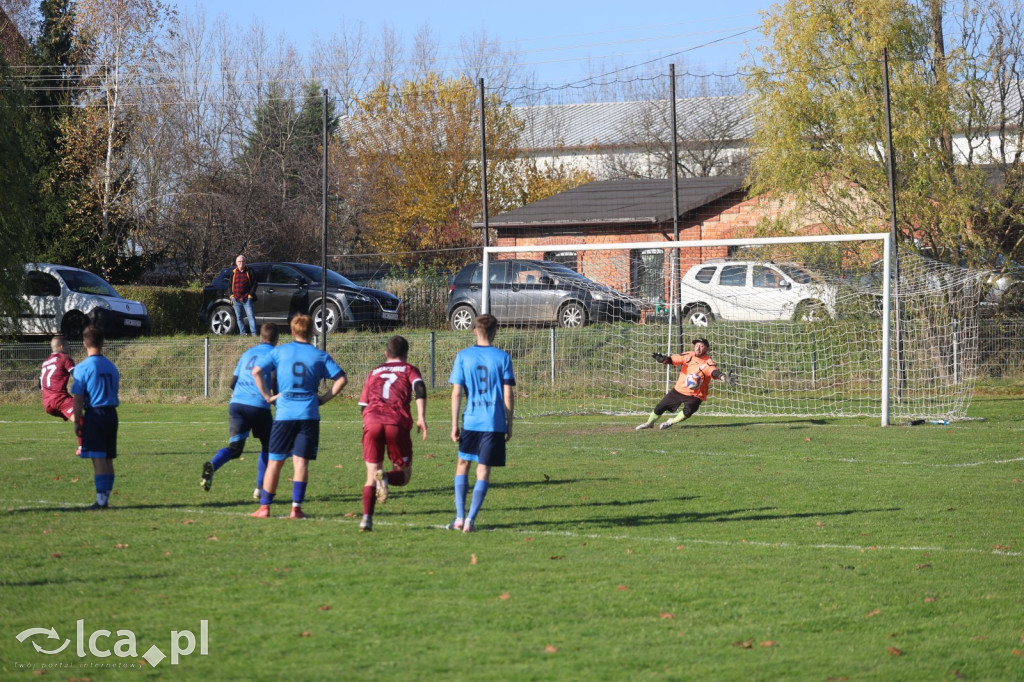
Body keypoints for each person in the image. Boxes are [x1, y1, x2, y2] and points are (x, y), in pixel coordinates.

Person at [250, 314, 347, 519]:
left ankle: (265, 507)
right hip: (309, 414)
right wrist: (324, 398)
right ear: (312, 331)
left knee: (275, 461)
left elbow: (256, 371)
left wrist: (268, 396)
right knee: (300, 463)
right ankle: (296, 509)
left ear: (292, 331)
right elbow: (341, 379)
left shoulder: (280, 351)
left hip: (284, 413)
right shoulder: (319, 355)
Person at [448, 314, 515, 533]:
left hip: (471, 420)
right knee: (483, 469)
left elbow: (456, 393)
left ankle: (459, 516)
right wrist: (509, 422)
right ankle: (470, 520)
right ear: (496, 332)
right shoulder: (503, 357)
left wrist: (454, 424)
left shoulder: (463, 356)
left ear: (475, 331)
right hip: (494, 422)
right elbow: (508, 395)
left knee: (463, 464)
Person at [357, 335, 427, 532]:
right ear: (406, 354)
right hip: (396, 422)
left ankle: (365, 519)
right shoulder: (409, 369)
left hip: (372, 422)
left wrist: (370, 421)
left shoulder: (374, 372)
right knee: (404, 475)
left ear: (386, 354)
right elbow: (419, 388)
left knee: (370, 476)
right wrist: (421, 416)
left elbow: (363, 405)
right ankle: (386, 477)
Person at [201, 322, 279, 497]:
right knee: (269, 445)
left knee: (235, 448)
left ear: (261, 336)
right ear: (277, 338)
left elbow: (232, 383)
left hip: (237, 404)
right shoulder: (274, 354)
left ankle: (213, 465)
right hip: (258, 404)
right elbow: (274, 379)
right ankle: (260, 488)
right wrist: (275, 398)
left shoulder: (247, 353)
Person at [635, 337, 735, 431]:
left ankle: (671, 422)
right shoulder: (688, 356)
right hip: (679, 390)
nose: (698, 348)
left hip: (696, 395)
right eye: (696, 345)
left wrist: (724, 377)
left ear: (707, 349)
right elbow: (673, 359)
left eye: (701, 346)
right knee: (660, 407)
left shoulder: (708, 362)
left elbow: (715, 372)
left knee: (689, 410)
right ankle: (649, 424)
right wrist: (663, 360)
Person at [70, 326, 120, 510]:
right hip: (111, 414)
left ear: (84, 344)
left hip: (95, 414)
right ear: (103, 342)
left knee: (98, 458)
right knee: (107, 458)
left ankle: (101, 501)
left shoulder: (82, 368)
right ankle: (104, 498)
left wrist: (77, 421)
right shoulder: (112, 366)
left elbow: (78, 398)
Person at [40, 336, 82, 455]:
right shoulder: (65, 358)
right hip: (59, 399)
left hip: (47, 403)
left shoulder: (46, 362)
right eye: (68, 345)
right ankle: (83, 447)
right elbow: (77, 376)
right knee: (82, 419)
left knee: (84, 414)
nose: (69, 347)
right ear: (62, 346)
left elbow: (40, 384)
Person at [230, 254, 258, 336]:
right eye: (239, 261)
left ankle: (254, 334)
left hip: (247, 298)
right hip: (236, 299)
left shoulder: (250, 271)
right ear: (236, 263)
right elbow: (229, 285)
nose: (241, 263)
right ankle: (242, 333)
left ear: (245, 262)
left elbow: (255, 284)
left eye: (243, 261)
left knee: (251, 317)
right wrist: (231, 296)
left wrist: (250, 295)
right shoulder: (233, 273)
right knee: (239, 317)